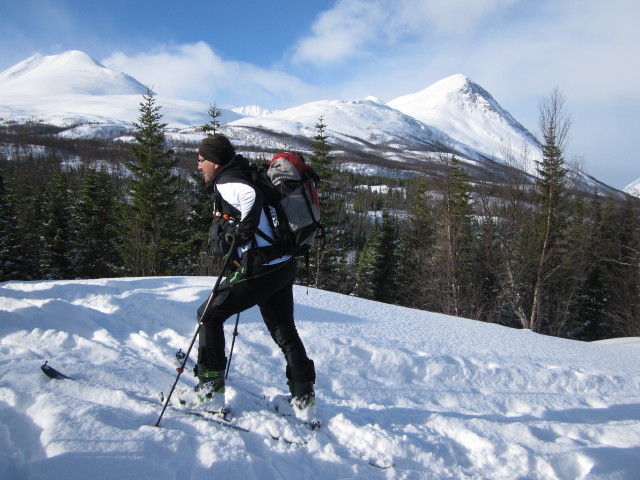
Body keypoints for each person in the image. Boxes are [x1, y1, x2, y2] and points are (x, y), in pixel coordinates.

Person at [187, 133, 316, 414]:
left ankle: (209, 393)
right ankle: (303, 399)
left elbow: (251, 196)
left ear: (215, 162)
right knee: (284, 330)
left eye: (201, 160)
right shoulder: (244, 171)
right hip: (283, 264)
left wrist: (242, 231)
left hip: (263, 267)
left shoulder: (228, 181)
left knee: (208, 315)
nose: (199, 166)